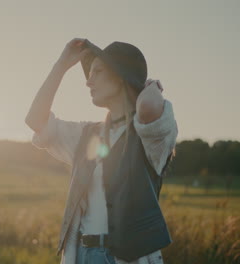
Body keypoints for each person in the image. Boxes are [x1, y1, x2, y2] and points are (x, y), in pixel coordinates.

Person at [25, 38, 178, 264]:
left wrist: (152, 85)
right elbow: (35, 120)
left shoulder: (150, 137)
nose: (89, 81)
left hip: (125, 259)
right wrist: (61, 65)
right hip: (82, 254)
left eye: (97, 71)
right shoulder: (86, 135)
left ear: (120, 76)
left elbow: (148, 107)